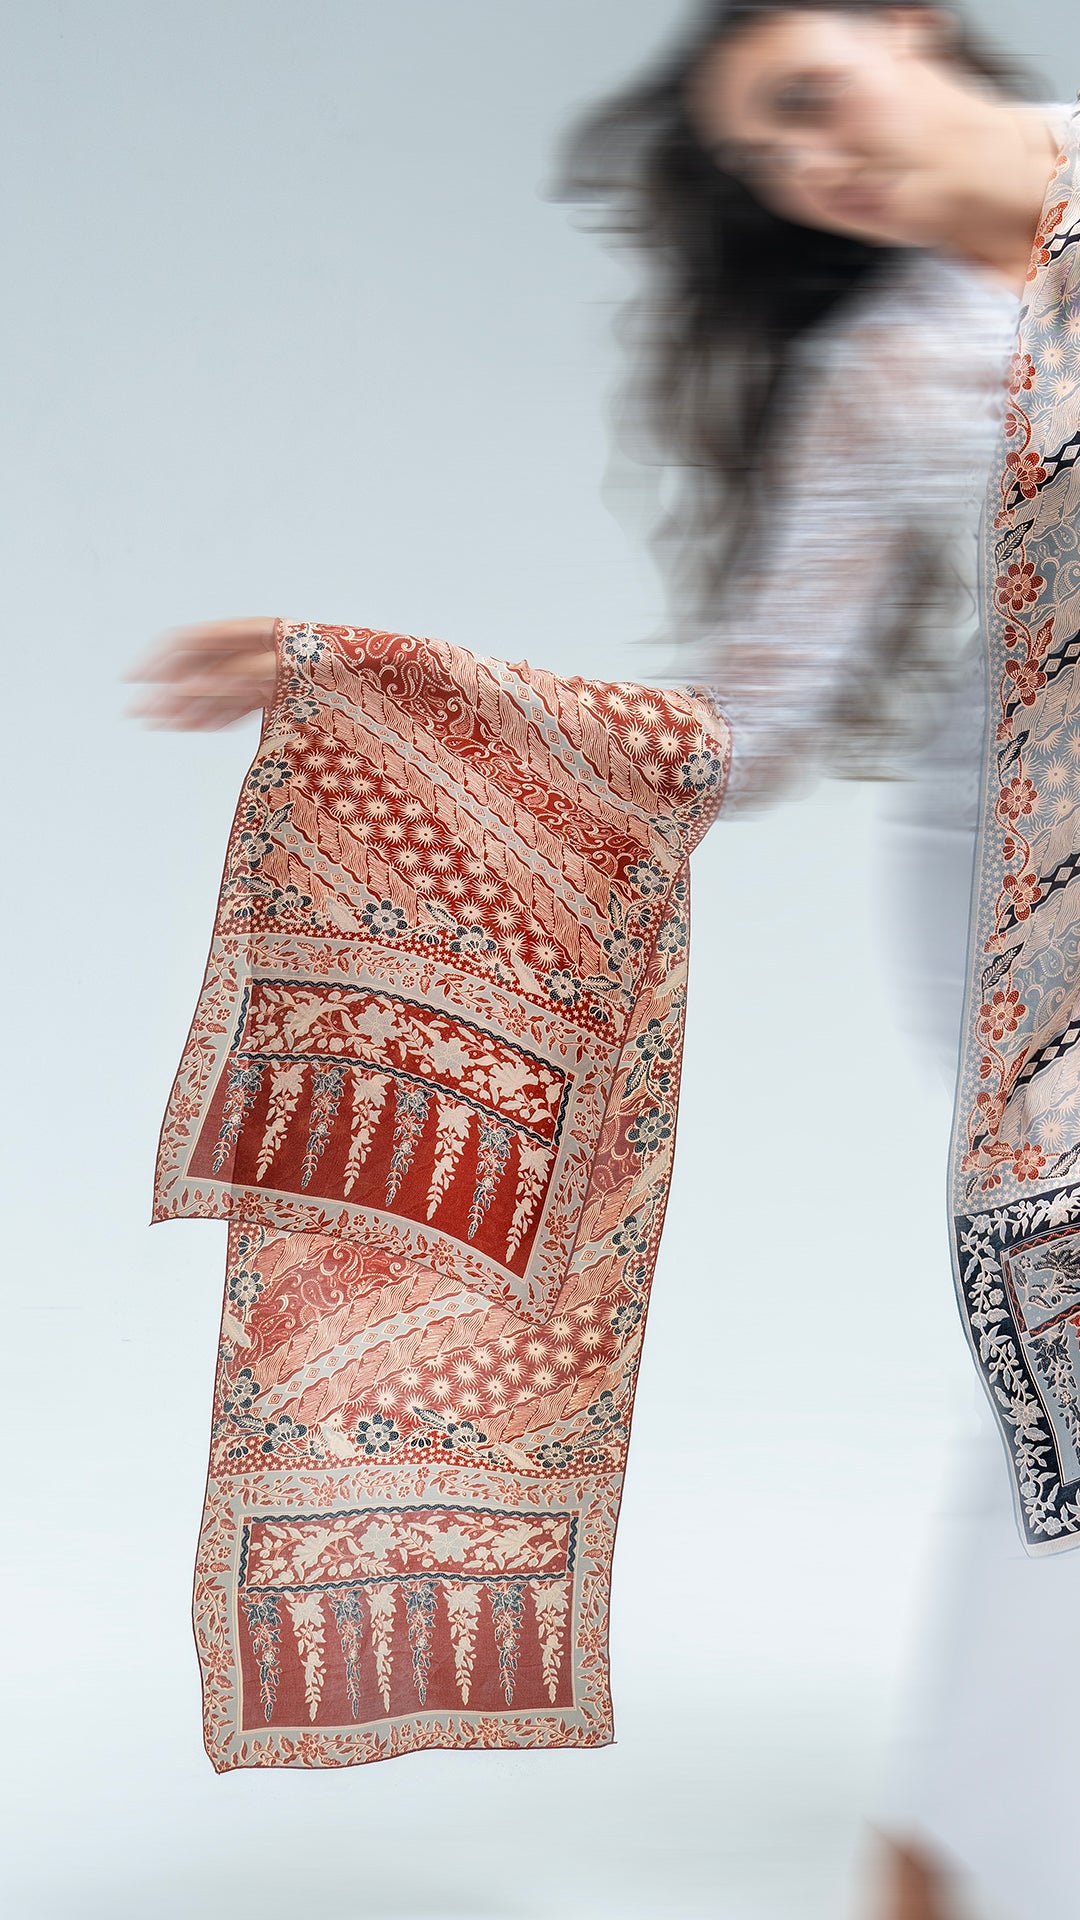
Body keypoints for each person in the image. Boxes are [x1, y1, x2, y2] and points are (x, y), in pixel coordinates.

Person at [129, 5, 1078, 1916]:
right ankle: (963, 1848)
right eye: (769, 164)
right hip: (1026, 912)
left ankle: (967, 1833)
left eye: (810, 101)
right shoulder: (896, 370)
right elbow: (755, 715)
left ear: (908, 24)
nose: (817, 171)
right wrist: (389, 692)